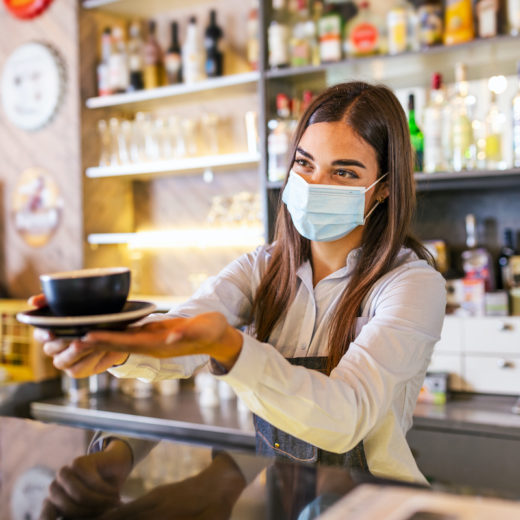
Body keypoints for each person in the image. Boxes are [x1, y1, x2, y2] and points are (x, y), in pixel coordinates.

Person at [35, 81, 446, 485]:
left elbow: (346, 417)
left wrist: (228, 348)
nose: (315, 185)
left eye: (343, 172)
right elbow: (184, 330)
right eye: (305, 164)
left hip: (378, 508)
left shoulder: (411, 284)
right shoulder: (262, 268)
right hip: (286, 502)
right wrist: (110, 344)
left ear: (384, 189)